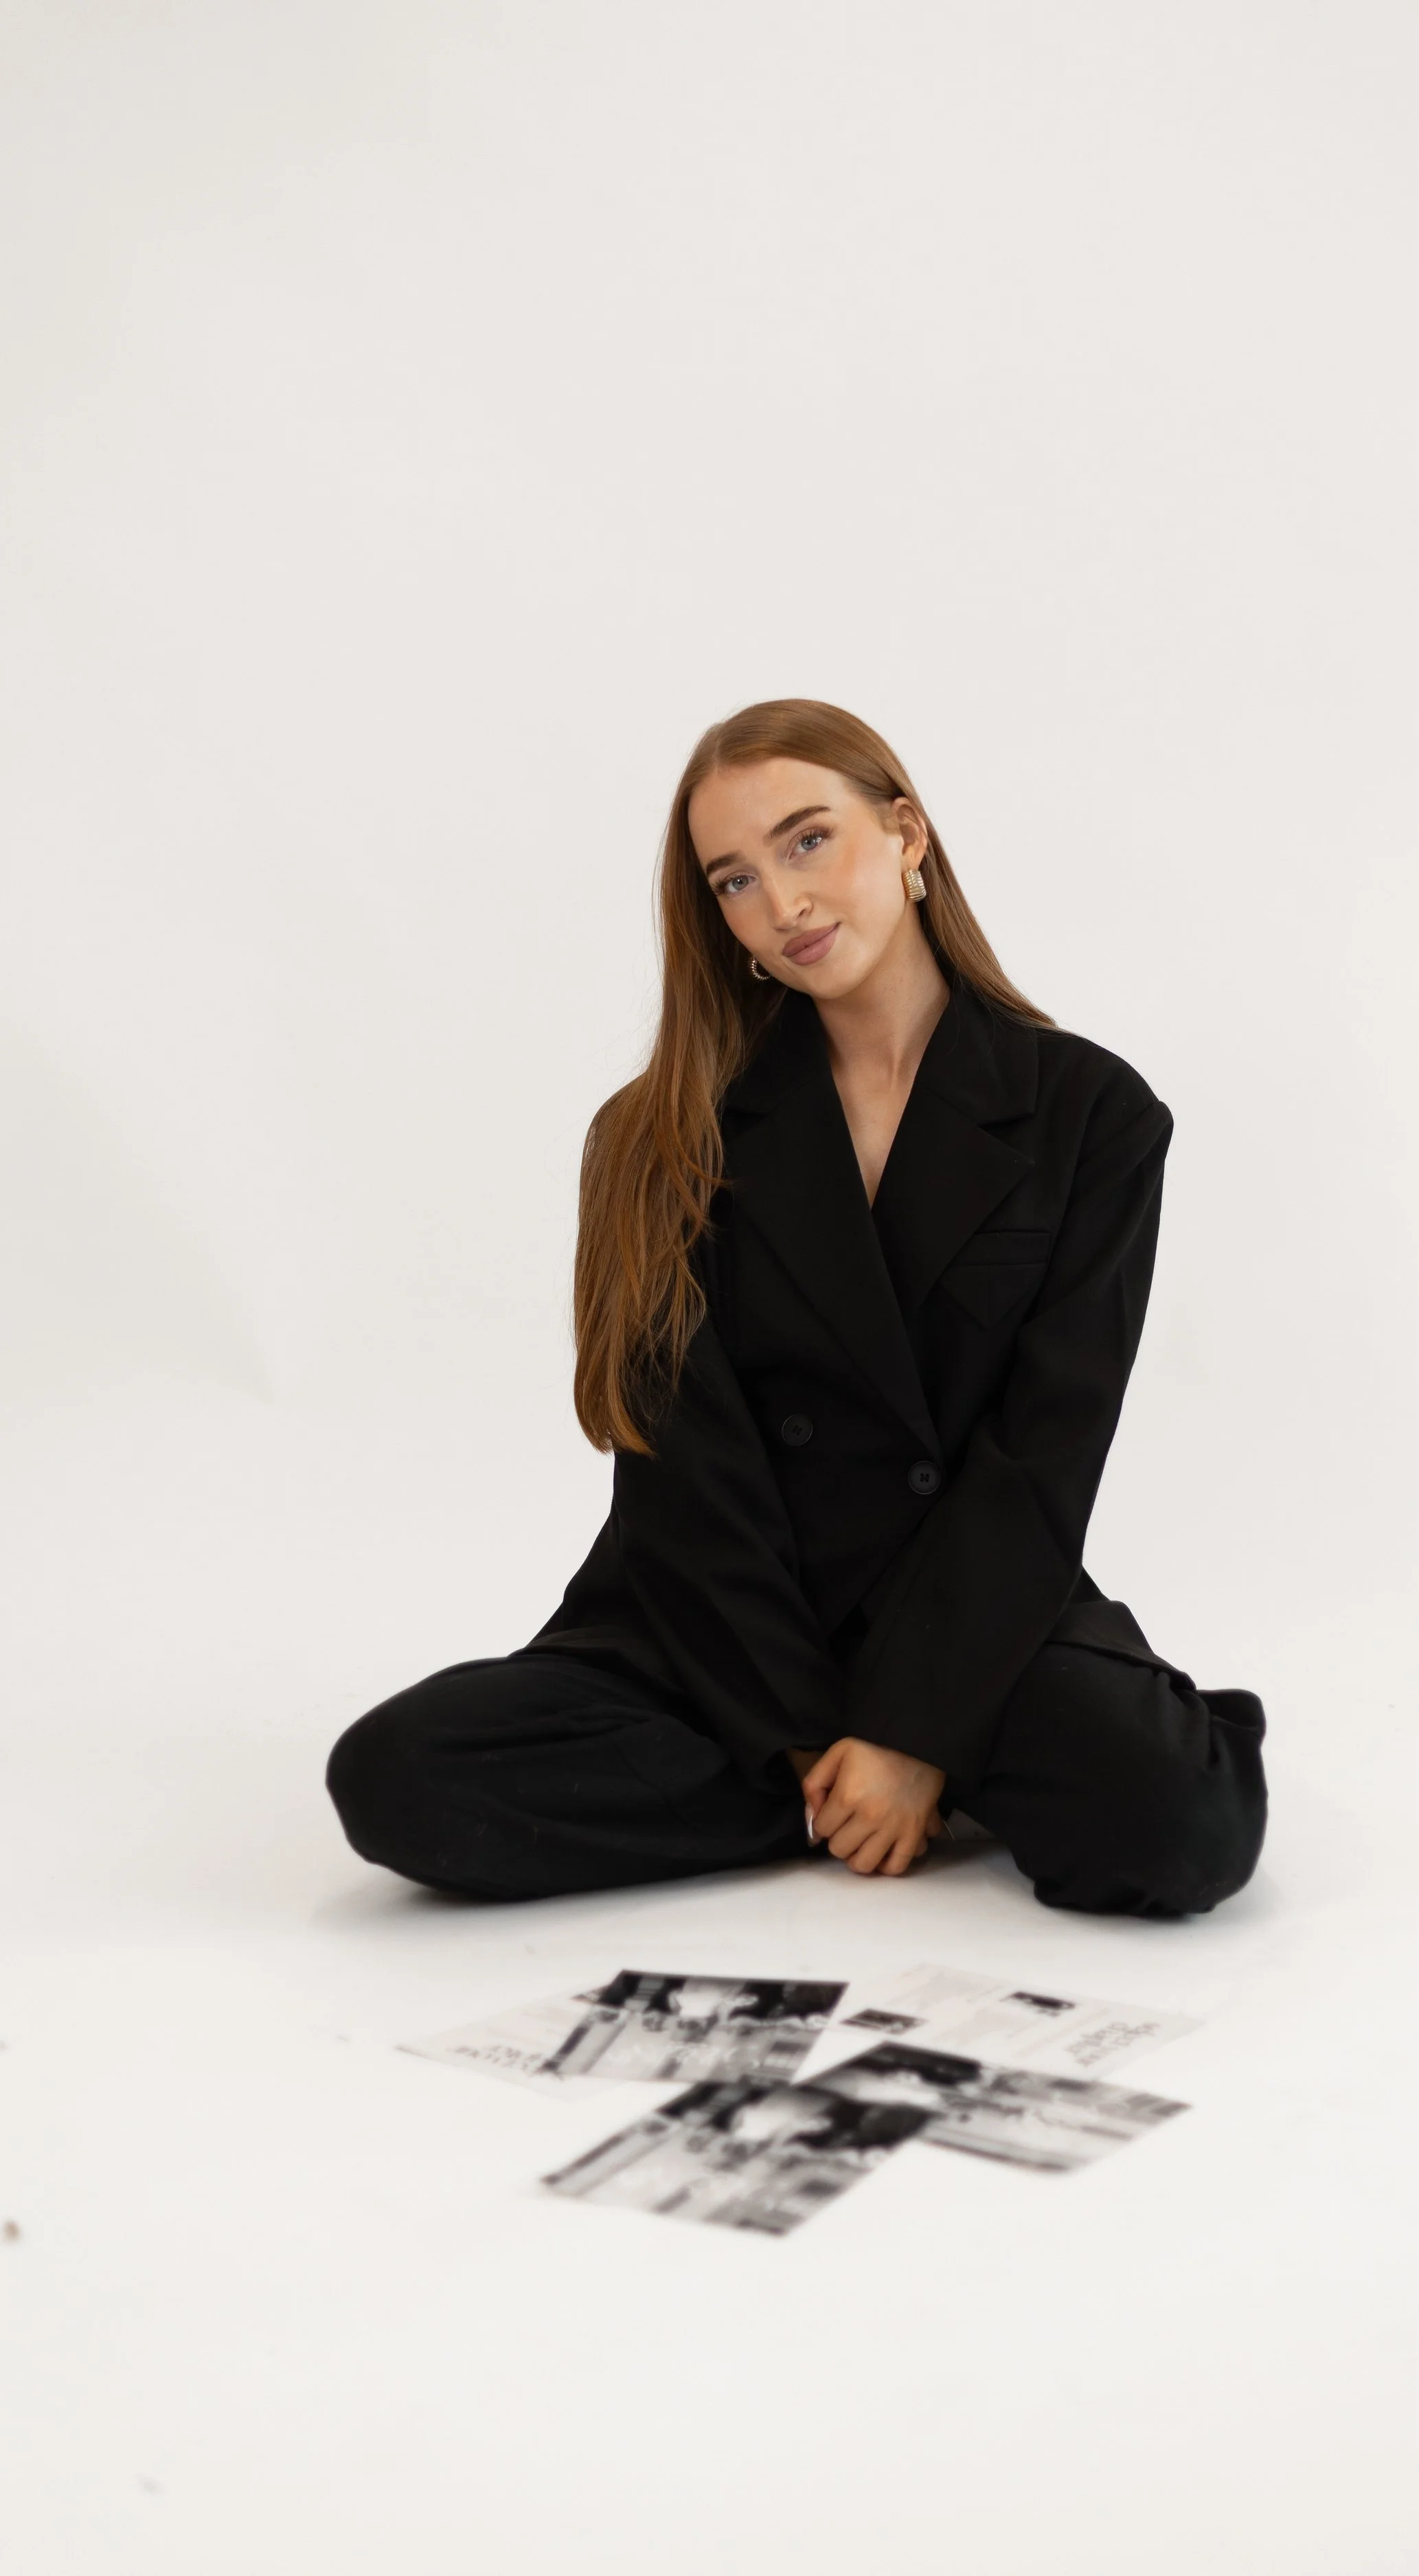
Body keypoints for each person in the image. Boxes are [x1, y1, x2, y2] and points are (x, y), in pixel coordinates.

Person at [326, 699, 1267, 1917]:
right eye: (734, 879)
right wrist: (816, 1736)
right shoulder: (655, 1135)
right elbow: (682, 1477)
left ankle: (891, 1777)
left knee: (1184, 1824)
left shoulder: (1090, 1114)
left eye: (807, 841)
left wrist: (920, 1724)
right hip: (712, 1622)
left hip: (966, 1605)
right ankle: (837, 1791)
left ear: (907, 833)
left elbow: (1044, 1450)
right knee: (397, 1776)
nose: (782, 904)